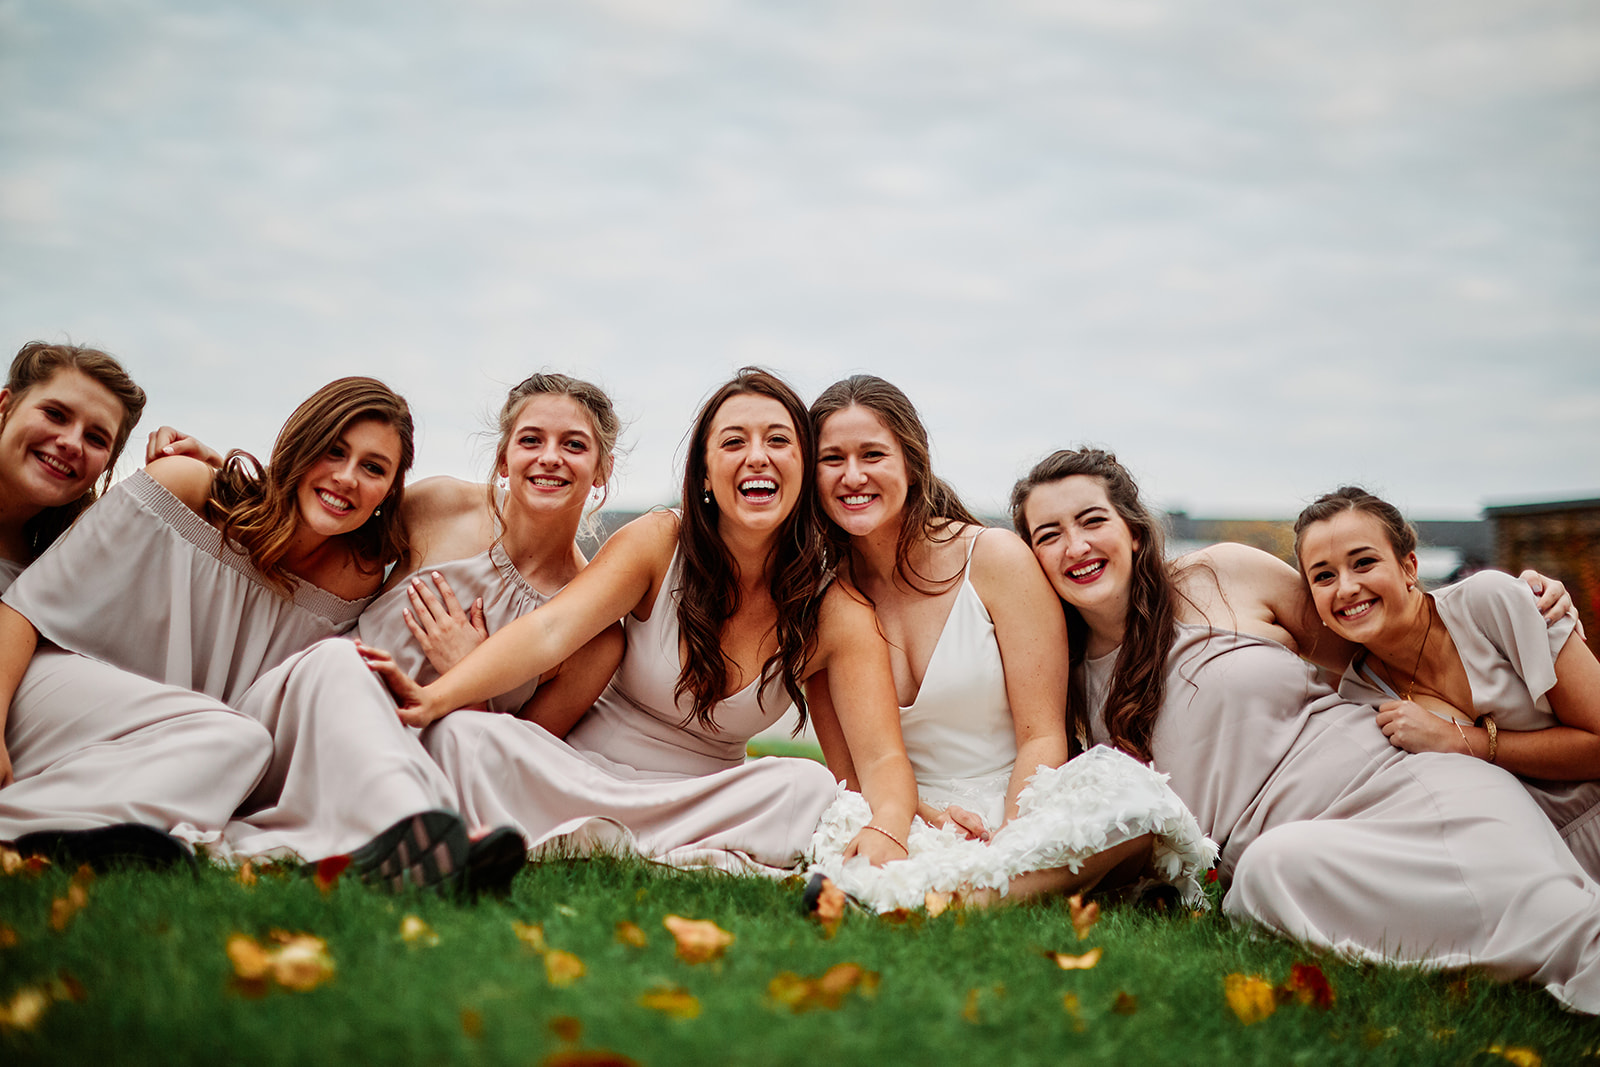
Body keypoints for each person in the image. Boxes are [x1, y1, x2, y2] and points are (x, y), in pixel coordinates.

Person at [1010, 447, 1600, 1014]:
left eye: (1092, 521)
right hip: (1294, 851)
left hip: (1405, 782)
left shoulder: (1222, 573)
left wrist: (1509, 610)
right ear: (1029, 559)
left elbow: (1376, 627)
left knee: (1555, 920)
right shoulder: (1060, 684)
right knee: (1265, 879)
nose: (1077, 546)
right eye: (1049, 535)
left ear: (1134, 530)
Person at [362, 368, 918, 873]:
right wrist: (438, 698)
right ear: (704, 470)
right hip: (577, 771)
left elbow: (881, 757)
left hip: (699, 796)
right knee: (463, 734)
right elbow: (550, 630)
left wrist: (890, 825)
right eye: (733, 442)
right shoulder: (659, 542)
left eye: (778, 440)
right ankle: (658, 848)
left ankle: (585, 839)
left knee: (807, 785)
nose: (757, 457)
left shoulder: (837, 611)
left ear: (803, 470)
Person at [0, 377, 458, 886]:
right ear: (298, 446)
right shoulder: (188, 488)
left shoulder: (361, 573)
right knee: (234, 736)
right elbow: (23, 608)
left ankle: (412, 834)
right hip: (56, 700)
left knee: (326, 675)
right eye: (333, 451)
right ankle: (24, 825)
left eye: (373, 468)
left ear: (388, 492)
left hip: (200, 749)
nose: (348, 478)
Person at [803, 377, 1212, 909]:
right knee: (830, 811)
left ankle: (939, 897)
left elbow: (1042, 736)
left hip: (1023, 801)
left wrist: (1011, 836)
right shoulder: (819, 604)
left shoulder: (994, 559)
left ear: (912, 461)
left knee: (1132, 799)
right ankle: (993, 888)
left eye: (873, 454)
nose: (853, 475)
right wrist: (917, 814)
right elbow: (850, 775)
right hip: (914, 816)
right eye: (832, 459)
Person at [0, 341, 266, 867]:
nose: (70, 442)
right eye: (55, 414)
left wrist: (216, 468)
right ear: (4, 406)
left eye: (96, 438)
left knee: (234, 739)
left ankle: (65, 831)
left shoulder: (59, 550)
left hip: (27, 713)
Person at [351, 372, 628, 877]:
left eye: (574, 445)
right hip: (335, 700)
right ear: (504, 458)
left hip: (428, 775)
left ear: (602, 470)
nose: (550, 457)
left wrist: (469, 672)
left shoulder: (597, 632)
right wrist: (223, 472)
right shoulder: (438, 507)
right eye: (530, 440)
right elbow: (325, 533)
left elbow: (513, 763)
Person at [1296, 486, 1600, 879]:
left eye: (1364, 562)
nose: (1346, 588)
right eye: (1323, 576)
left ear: (1409, 567)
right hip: (1524, 871)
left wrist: (1457, 741)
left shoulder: (1491, 602)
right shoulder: (1358, 697)